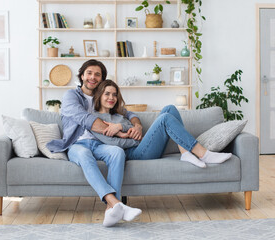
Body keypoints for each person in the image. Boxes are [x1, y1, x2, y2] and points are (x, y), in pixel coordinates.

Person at [47, 60, 142, 227]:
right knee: (84, 155)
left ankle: (110, 212)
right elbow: (85, 118)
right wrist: (117, 131)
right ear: (82, 75)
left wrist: (137, 125)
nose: (92, 77)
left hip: (100, 144)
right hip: (77, 144)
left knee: (117, 152)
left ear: (102, 78)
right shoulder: (71, 96)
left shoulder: (104, 97)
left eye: (97, 74)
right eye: (89, 73)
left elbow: (128, 112)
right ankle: (115, 202)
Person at [91, 80, 232, 168]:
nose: (112, 98)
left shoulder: (118, 113)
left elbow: (132, 120)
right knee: (164, 118)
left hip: (142, 144)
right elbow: (114, 143)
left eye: (114, 95)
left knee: (169, 108)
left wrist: (123, 127)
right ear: (99, 95)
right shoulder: (95, 119)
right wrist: (132, 139)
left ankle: (185, 153)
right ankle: (203, 154)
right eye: (107, 94)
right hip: (134, 153)